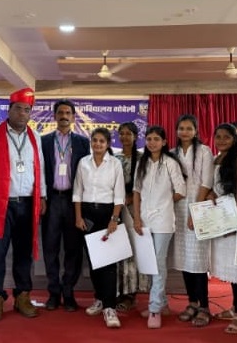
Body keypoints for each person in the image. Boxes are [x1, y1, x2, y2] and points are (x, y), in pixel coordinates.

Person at [0, 87, 47, 322]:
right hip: (0, 205)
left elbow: (40, 168)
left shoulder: (35, 137)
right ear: (9, 109)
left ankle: (22, 296)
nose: (22, 114)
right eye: (18, 109)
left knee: (24, 253)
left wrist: (42, 196)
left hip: (27, 203)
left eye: (27, 110)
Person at [133, 125, 186, 329]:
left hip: (163, 220)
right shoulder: (142, 163)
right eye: (149, 139)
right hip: (144, 220)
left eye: (156, 139)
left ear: (164, 142)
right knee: (150, 263)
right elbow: (136, 192)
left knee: (158, 263)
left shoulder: (170, 163)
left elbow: (180, 190)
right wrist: (137, 218)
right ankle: (162, 303)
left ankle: (154, 308)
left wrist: (163, 203)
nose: (152, 142)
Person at [74, 127, 125, 328]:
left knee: (108, 263)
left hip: (107, 214)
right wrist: (78, 217)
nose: (97, 144)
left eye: (102, 141)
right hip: (87, 215)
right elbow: (77, 192)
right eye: (94, 140)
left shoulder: (115, 164)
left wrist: (114, 219)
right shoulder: (83, 163)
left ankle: (110, 307)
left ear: (108, 144)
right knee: (94, 261)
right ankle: (100, 299)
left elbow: (119, 195)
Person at [41, 99, 90, 312]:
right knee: (50, 248)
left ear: (73, 117)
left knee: (73, 249)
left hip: (73, 201)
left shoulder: (82, 142)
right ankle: (53, 293)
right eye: (60, 112)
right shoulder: (43, 141)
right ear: (54, 116)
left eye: (68, 113)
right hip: (51, 200)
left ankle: (68, 292)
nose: (64, 116)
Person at [209, 123, 237, 334]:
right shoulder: (215, 159)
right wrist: (211, 196)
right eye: (218, 137)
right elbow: (212, 187)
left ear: (235, 139)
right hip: (220, 216)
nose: (222, 140)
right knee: (227, 264)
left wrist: (231, 220)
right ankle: (235, 307)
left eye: (227, 137)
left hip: (235, 217)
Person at [171, 114, 214, 327]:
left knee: (198, 259)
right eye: (181, 128)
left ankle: (204, 306)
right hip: (178, 209)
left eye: (189, 128)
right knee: (184, 258)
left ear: (196, 131)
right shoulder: (172, 153)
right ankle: (192, 302)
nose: (185, 132)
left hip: (198, 206)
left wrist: (195, 212)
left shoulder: (204, 151)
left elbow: (206, 182)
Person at [115, 122, 149, 312]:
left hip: (136, 211)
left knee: (134, 252)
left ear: (136, 136)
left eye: (128, 133)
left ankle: (131, 294)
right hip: (117, 211)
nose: (125, 137)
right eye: (122, 133)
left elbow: (148, 186)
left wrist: (132, 199)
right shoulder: (114, 158)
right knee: (119, 252)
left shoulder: (144, 158)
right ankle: (118, 291)